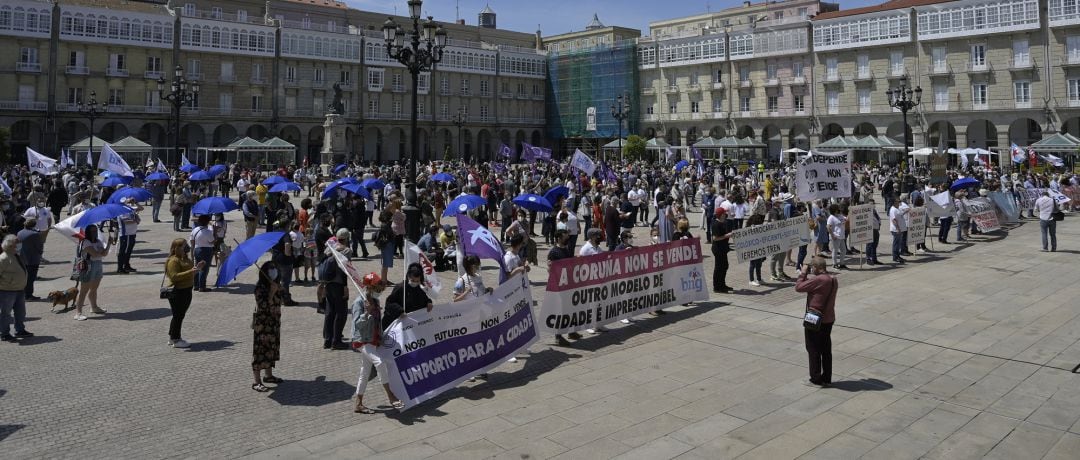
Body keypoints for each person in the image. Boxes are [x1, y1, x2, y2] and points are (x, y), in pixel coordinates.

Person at [350, 272, 403, 412]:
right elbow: (356, 324)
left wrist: (379, 336)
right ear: (370, 288)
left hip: (373, 339)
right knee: (380, 363)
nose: (379, 292)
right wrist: (366, 313)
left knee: (365, 371)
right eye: (377, 290)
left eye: (381, 290)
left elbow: (378, 320)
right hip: (363, 340)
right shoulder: (359, 302)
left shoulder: (376, 301)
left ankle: (358, 403)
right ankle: (391, 396)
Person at [795, 256, 838, 387]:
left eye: (812, 267)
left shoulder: (819, 279)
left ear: (817, 268)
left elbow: (798, 287)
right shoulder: (832, 279)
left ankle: (815, 378)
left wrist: (803, 273)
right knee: (826, 349)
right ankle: (826, 378)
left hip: (815, 318)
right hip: (829, 318)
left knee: (813, 348)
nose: (811, 269)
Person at [164, 238, 205, 348]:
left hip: (187, 290)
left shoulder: (185, 258)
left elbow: (189, 273)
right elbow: (174, 276)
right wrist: (191, 271)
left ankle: (172, 337)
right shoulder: (173, 260)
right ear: (176, 248)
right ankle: (176, 339)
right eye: (184, 245)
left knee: (179, 315)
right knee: (178, 315)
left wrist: (197, 269)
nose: (187, 247)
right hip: (177, 291)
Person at [251, 261, 284, 392]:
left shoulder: (275, 284)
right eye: (271, 269)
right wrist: (271, 293)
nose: (274, 271)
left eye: (274, 268)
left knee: (271, 348)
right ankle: (256, 382)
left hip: (274, 323)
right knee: (260, 351)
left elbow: (280, 302)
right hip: (263, 325)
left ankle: (268, 376)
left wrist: (279, 290)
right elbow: (263, 306)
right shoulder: (260, 288)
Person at [548, 230, 581, 344]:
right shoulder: (554, 252)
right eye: (565, 237)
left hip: (569, 284)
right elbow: (550, 270)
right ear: (558, 238)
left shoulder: (565, 249)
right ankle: (558, 336)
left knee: (571, 309)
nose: (567, 238)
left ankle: (571, 331)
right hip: (559, 286)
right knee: (561, 311)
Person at [74, 224, 112, 321]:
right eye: (92, 231)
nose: (94, 233)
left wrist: (108, 244)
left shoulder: (98, 241)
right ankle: (78, 313)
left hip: (98, 264)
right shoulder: (85, 242)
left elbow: (104, 254)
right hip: (88, 266)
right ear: (88, 232)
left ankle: (94, 307)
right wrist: (101, 251)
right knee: (84, 290)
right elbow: (94, 254)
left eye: (95, 231)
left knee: (94, 288)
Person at [322, 230, 351, 349]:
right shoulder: (347, 250)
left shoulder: (330, 248)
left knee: (330, 312)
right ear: (347, 238)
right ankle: (336, 341)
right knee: (341, 313)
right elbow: (345, 269)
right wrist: (345, 286)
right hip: (339, 284)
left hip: (328, 283)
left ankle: (327, 340)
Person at [0, 234, 32, 342]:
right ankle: (4, 333)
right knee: (6, 313)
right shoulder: (3, 258)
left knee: (20, 312)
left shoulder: (16, 255)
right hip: (7, 291)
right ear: (10, 245)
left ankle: (20, 330)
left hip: (19, 289)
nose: (19, 244)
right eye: (17, 242)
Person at [383, 263, 434, 329]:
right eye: (412, 280)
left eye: (417, 281)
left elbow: (424, 299)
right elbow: (389, 303)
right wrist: (399, 311)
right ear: (408, 277)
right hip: (400, 325)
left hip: (414, 325)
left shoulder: (420, 288)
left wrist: (428, 303)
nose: (415, 283)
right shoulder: (400, 288)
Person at [16, 219, 43, 300]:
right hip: (32, 259)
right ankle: (28, 295)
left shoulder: (19, 232)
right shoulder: (35, 234)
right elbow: (39, 247)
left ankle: (24, 294)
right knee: (31, 278)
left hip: (22, 258)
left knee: (24, 277)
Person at [189, 215, 215, 292]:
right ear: (207, 222)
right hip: (206, 250)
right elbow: (212, 241)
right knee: (204, 268)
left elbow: (192, 241)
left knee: (197, 267)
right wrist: (215, 233)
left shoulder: (195, 229)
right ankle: (202, 286)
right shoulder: (208, 232)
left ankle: (196, 285)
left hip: (197, 249)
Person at [116, 197, 142, 273]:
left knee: (129, 251)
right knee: (123, 251)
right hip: (125, 234)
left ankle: (126, 265)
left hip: (132, 233)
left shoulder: (130, 209)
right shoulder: (121, 211)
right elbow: (126, 221)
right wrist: (136, 220)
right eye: (126, 201)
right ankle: (120, 268)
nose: (129, 202)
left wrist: (136, 202)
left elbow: (141, 208)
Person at [711, 208, 733, 293]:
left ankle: (722, 284)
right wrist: (727, 236)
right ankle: (717, 287)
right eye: (724, 214)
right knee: (719, 268)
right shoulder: (716, 224)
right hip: (718, 249)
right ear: (720, 215)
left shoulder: (724, 222)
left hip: (723, 248)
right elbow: (715, 238)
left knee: (724, 266)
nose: (725, 215)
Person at [826, 204, 848, 270]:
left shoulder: (840, 215)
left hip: (841, 236)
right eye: (837, 208)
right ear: (835, 210)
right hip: (836, 237)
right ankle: (834, 264)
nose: (838, 209)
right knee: (835, 251)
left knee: (844, 250)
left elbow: (847, 219)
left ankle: (842, 263)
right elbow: (828, 227)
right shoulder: (831, 217)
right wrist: (832, 235)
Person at [888, 198, 907, 264]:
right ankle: (895, 257)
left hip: (900, 229)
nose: (899, 203)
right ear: (894, 202)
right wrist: (898, 228)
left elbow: (900, 214)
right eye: (898, 202)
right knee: (896, 244)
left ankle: (898, 256)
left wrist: (905, 211)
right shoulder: (893, 209)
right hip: (896, 230)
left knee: (898, 244)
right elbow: (894, 220)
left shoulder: (897, 208)